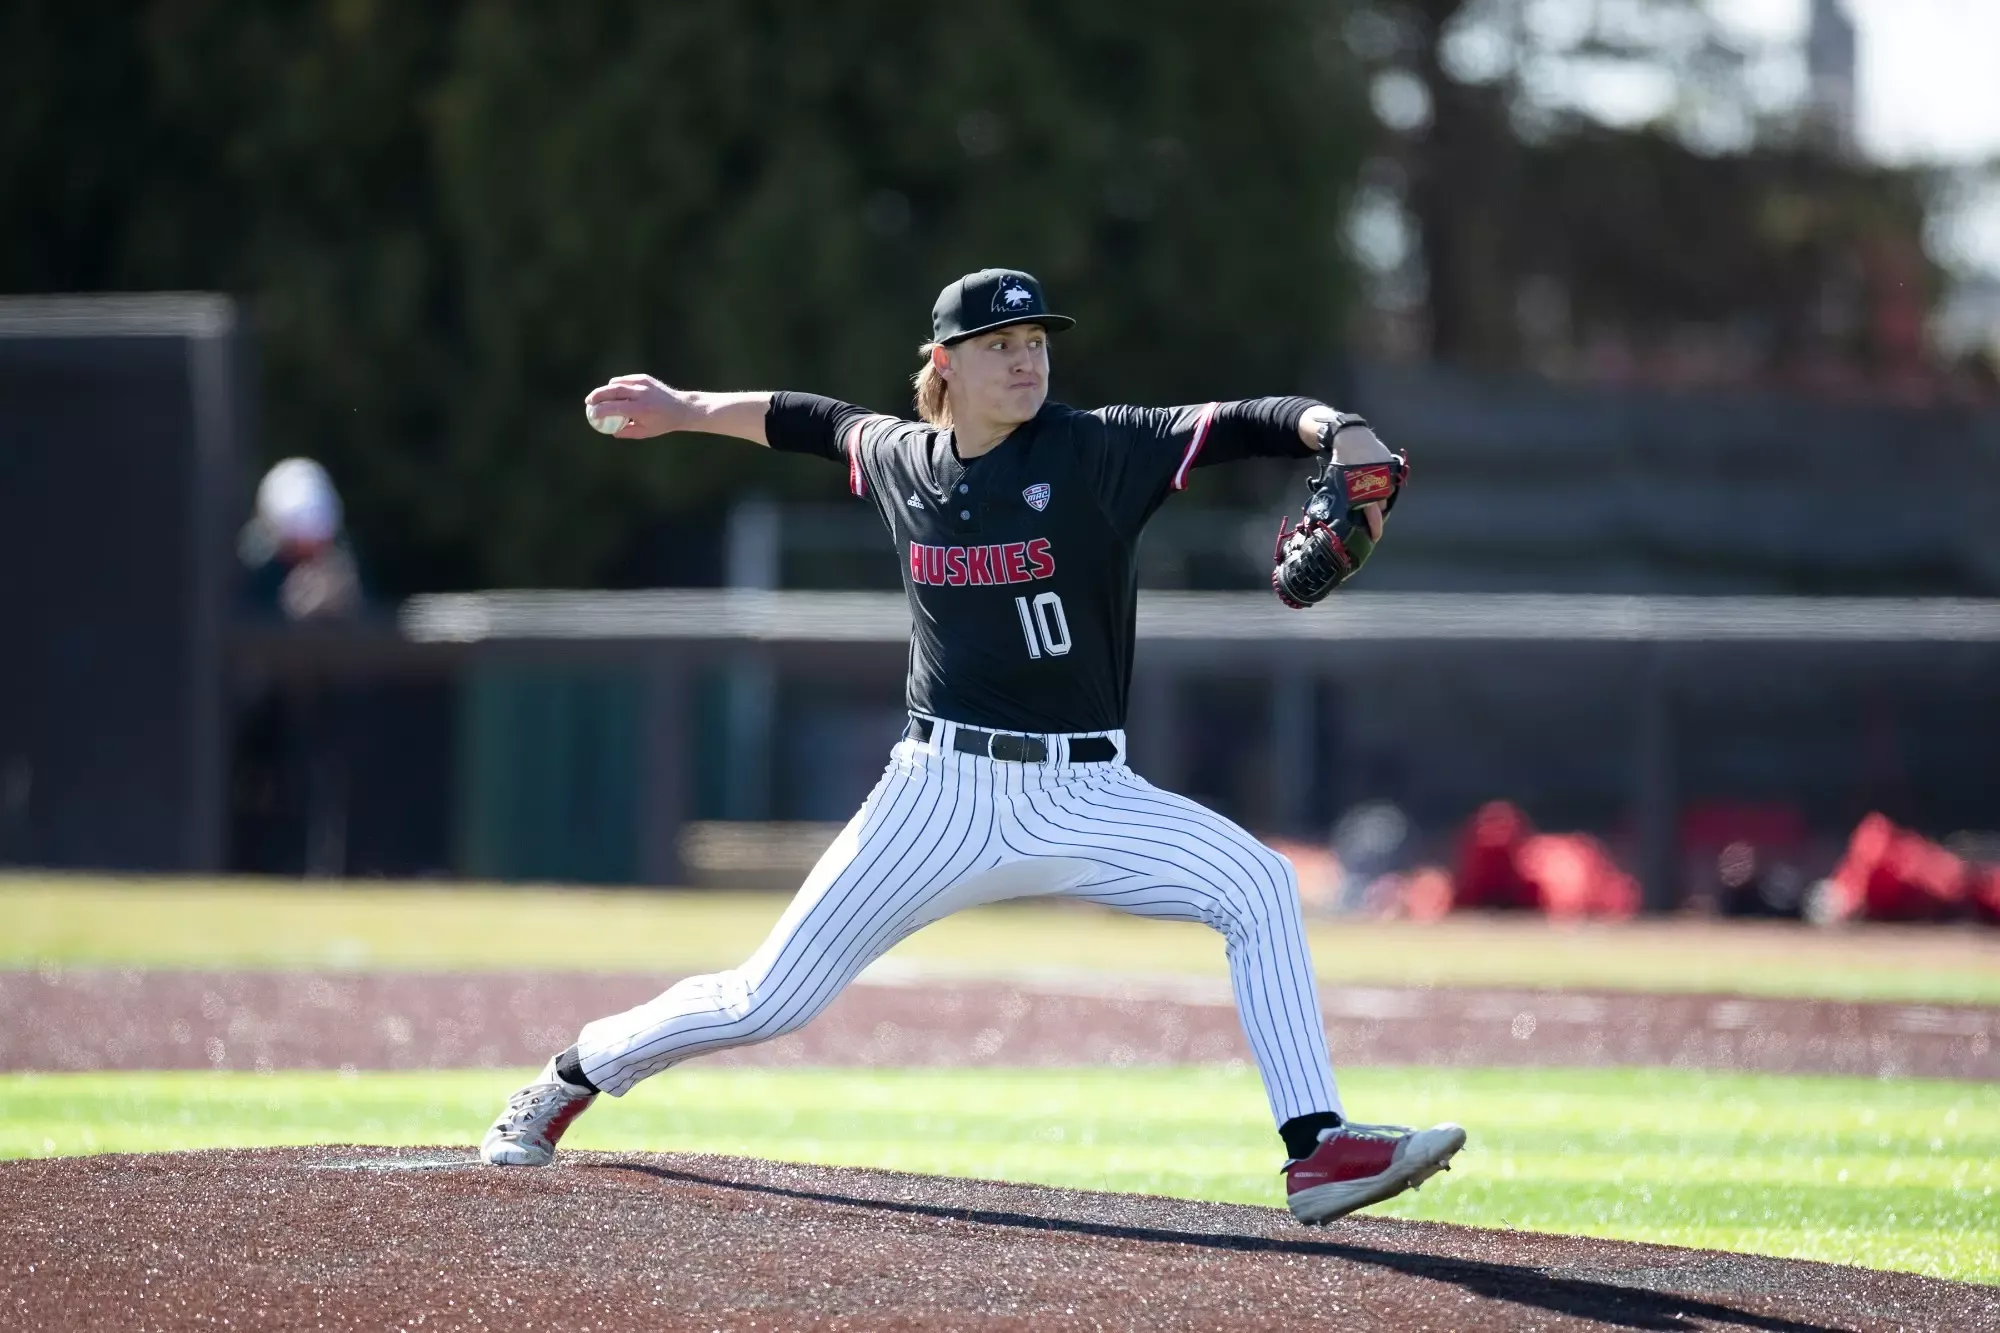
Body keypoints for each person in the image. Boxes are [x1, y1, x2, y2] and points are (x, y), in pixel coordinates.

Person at [479, 268, 1464, 1224]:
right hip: (937, 794)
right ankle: (571, 1074)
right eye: (999, 345)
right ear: (944, 361)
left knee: (1256, 885)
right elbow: (806, 420)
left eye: (1034, 341)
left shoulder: (1093, 451)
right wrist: (683, 404)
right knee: (762, 1000)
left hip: (1086, 791)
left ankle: (1316, 1149)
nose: (1025, 361)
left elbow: (1243, 420)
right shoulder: (904, 457)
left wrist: (1337, 431)